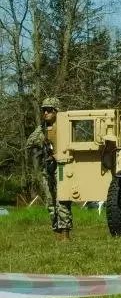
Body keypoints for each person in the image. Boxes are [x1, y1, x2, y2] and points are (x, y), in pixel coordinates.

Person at [26, 97, 73, 239]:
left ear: (56, 111)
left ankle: (65, 232)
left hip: (62, 167)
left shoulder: (65, 126)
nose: (45, 113)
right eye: (43, 110)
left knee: (62, 199)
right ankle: (57, 232)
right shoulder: (42, 128)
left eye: (49, 110)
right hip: (47, 167)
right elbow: (29, 143)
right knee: (50, 200)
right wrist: (42, 138)